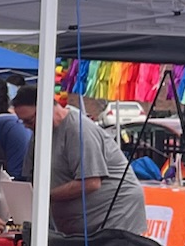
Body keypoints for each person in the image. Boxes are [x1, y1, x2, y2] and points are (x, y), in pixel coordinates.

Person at [14, 89, 149, 238]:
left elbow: (90, 183)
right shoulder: (40, 133)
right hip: (78, 221)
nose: (26, 126)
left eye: (29, 120)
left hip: (115, 214)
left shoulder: (79, 129)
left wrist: (45, 196)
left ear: (46, 108)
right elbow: (31, 175)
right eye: (22, 121)